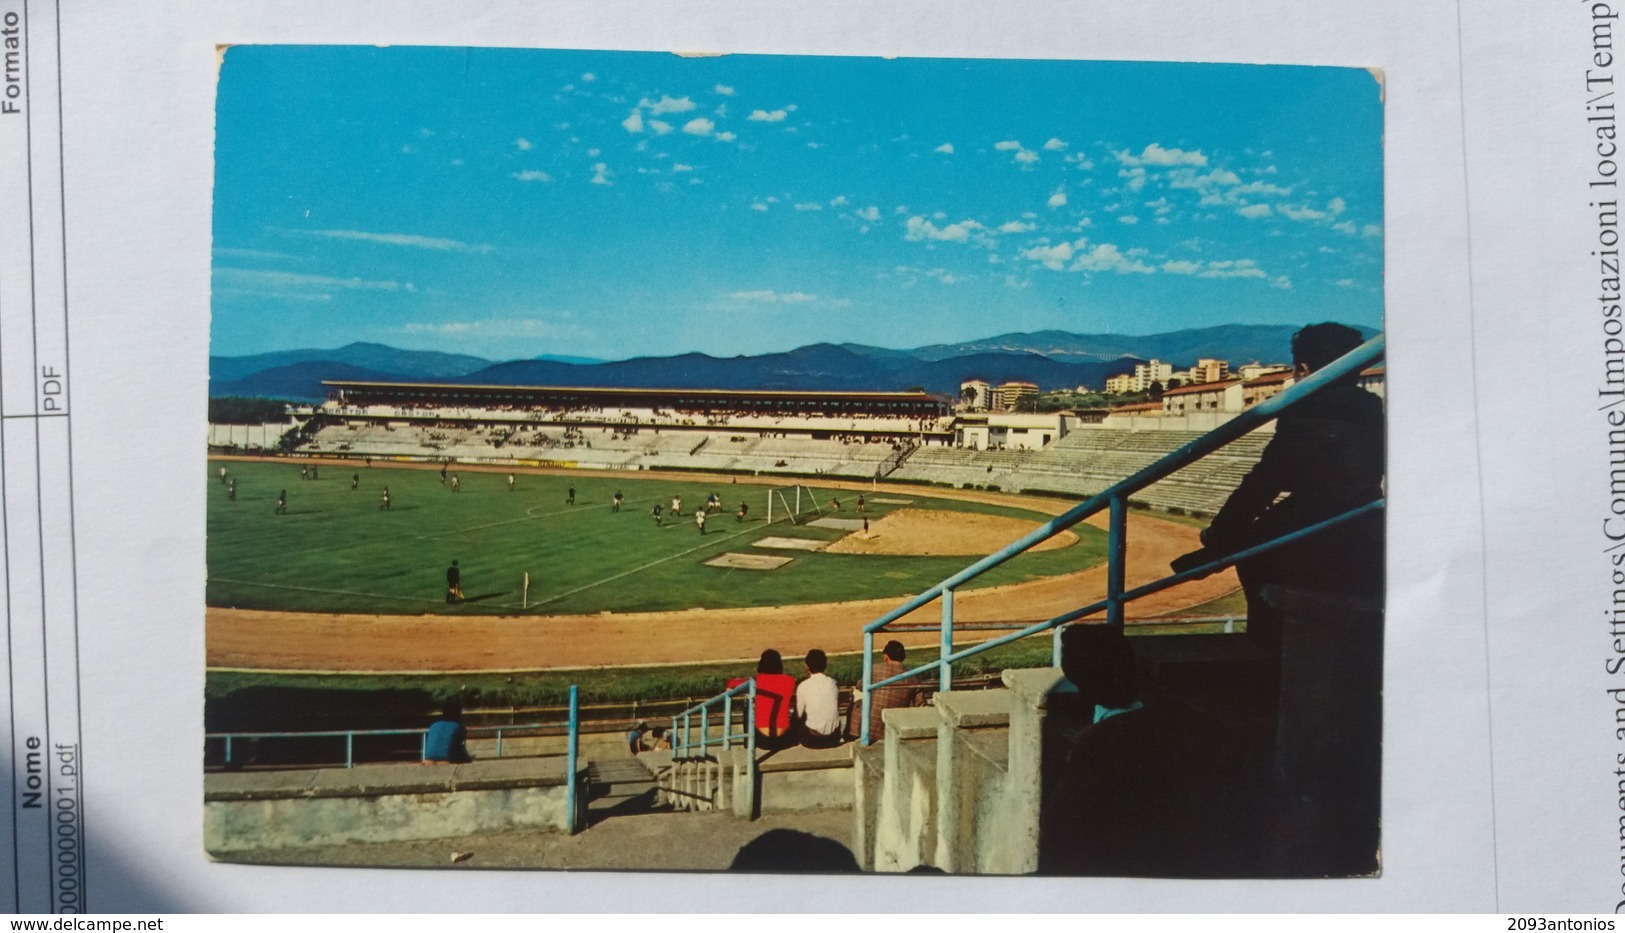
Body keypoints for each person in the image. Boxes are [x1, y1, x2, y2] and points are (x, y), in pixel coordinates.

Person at [1170, 322, 1384, 656]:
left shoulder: (1307, 406)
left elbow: (1266, 479)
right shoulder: (1371, 406)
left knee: (1253, 551)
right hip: (1367, 516)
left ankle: (1266, 648)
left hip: (1321, 519)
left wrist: (1219, 536)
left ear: (1302, 368)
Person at [853, 639, 923, 742]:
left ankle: (851, 734)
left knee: (857, 697)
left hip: (871, 730)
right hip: (895, 728)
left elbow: (860, 685)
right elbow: (921, 705)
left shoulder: (875, 669)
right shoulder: (913, 677)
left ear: (886, 657)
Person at [728, 649, 799, 748]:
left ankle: (748, 742)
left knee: (748, 705)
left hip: (762, 740)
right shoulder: (789, 681)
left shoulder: (757, 680)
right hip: (785, 738)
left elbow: (731, 683)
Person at [793, 649, 843, 749]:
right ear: (825, 665)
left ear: (807, 667)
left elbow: (798, 715)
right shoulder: (833, 683)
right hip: (834, 738)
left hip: (812, 740)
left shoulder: (803, 686)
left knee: (798, 715)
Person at [423, 700, 471, 764]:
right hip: (445, 759)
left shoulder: (434, 725)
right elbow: (459, 746)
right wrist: (468, 759)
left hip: (428, 758)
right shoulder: (458, 727)